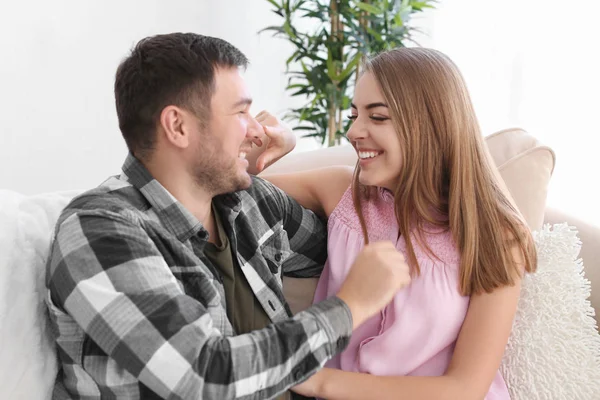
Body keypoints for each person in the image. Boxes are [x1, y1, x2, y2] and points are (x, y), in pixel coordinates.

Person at [44, 33, 412, 400]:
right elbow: (204, 377)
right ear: (178, 126)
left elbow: (346, 251)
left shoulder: (249, 202)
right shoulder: (100, 229)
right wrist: (350, 308)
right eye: (241, 112)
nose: (258, 131)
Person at [259, 47, 537, 399]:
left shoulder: (498, 236)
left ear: (431, 125)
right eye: (354, 114)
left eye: (377, 117)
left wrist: (318, 381)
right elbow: (231, 194)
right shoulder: (343, 192)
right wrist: (279, 147)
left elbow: (464, 389)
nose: (354, 131)